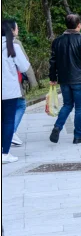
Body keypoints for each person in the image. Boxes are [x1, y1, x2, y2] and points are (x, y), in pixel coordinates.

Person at [48, 13, 81, 145]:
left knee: (67, 104)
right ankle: (78, 135)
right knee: (79, 107)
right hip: (79, 79)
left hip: (64, 79)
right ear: (79, 25)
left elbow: (53, 62)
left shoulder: (57, 41)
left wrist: (53, 77)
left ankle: (57, 127)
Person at [2, 19, 32, 164]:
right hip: (8, 91)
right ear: (12, 30)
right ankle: (5, 153)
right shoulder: (12, 46)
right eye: (17, 28)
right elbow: (25, 66)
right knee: (7, 121)